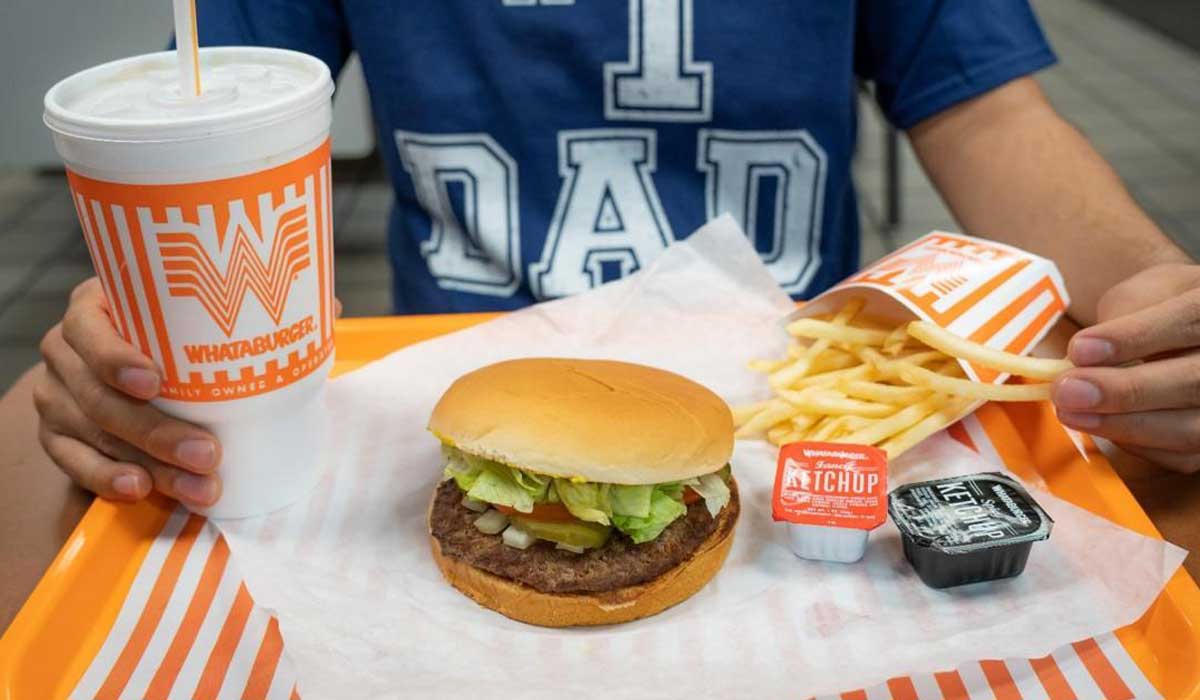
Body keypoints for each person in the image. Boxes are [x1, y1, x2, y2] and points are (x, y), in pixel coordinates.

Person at [31, 1, 1199, 509]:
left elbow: (989, 113)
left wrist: (1152, 287)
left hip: (797, 429)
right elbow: (199, 143)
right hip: (445, 396)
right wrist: (126, 324)